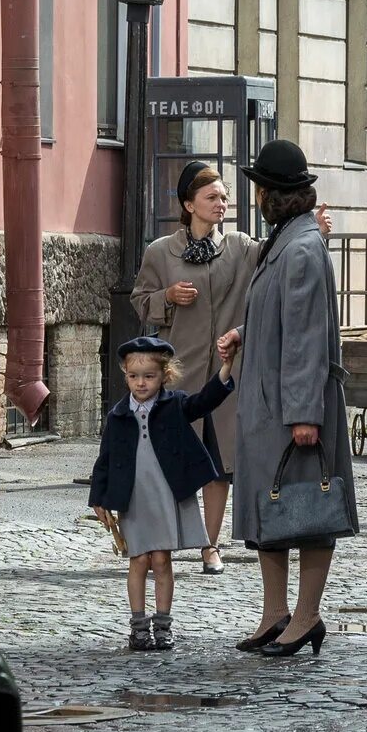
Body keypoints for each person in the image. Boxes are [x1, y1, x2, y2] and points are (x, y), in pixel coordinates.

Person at [216, 140, 359, 658]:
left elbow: (303, 336)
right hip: (267, 401)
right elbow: (278, 317)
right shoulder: (285, 241)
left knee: (309, 509)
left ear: (276, 195)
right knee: (269, 508)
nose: (255, 196)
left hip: (292, 407)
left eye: (259, 188)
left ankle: (307, 615)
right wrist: (242, 332)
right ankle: (275, 612)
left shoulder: (300, 248)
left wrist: (304, 414)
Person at [132, 162, 258, 574]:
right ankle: (161, 542)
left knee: (217, 466)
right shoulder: (160, 252)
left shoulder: (239, 247)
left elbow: (279, 256)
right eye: (212, 197)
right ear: (189, 204)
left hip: (224, 375)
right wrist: (166, 295)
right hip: (178, 375)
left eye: (224, 198)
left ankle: (210, 545)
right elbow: (140, 300)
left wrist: (313, 228)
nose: (221, 204)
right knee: (169, 460)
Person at [88, 336, 238, 651]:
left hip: (165, 495)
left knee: (161, 561)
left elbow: (205, 401)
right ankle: (138, 627)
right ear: (125, 375)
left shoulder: (175, 405)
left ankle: (163, 625)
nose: (140, 383)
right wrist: (98, 498)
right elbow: (105, 460)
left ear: (164, 375)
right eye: (133, 376)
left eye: (149, 376)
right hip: (134, 498)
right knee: (138, 560)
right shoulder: (117, 415)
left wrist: (225, 368)